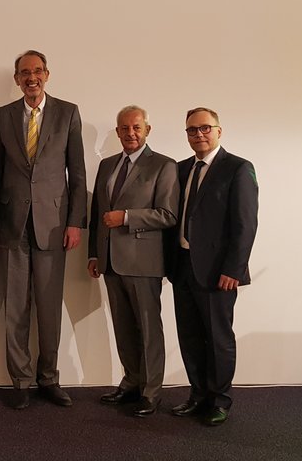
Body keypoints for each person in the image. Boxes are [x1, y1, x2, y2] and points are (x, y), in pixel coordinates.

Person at [0, 50, 87, 409]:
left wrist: (75, 221)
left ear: (47, 74)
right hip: (12, 225)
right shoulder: (2, 117)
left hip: (54, 225)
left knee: (49, 306)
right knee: (16, 306)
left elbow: (77, 173)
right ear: (16, 79)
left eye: (37, 71)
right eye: (24, 73)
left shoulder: (68, 112)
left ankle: (49, 378)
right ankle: (21, 381)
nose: (32, 78)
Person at [168, 107, 258, 426]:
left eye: (205, 128)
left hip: (219, 273)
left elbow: (245, 224)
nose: (199, 135)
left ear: (219, 131)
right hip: (182, 267)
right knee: (189, 336)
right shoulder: (180, 169)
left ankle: (219, 400)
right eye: (192, 130)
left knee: (218, 338)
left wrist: (234, 269)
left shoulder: (238, 168)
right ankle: (198, 394)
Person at [87, 105, 179, 417]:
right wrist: (94, 254)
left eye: (136, 128)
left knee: (149, 329)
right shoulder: (108, 165)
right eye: (124, 129)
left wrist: (126, 217)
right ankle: (131, 382)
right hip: (111, 262)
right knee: (124, 327)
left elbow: (168, 215)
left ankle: (152, 392)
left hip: (144, 262)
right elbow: (97, 215)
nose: (130, 134)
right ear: (117, 132)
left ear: (147, 130)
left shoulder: (164, 166)